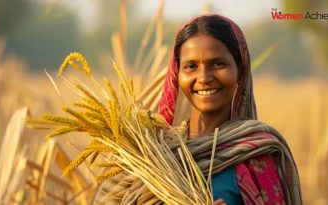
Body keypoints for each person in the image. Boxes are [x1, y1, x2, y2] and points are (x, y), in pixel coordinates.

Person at [93, 14, 302, 205]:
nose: (203, 78)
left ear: (241, 71)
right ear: (177, 74)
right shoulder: (149, 153)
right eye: (191, 66)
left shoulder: (257, 154)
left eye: (218, 64)